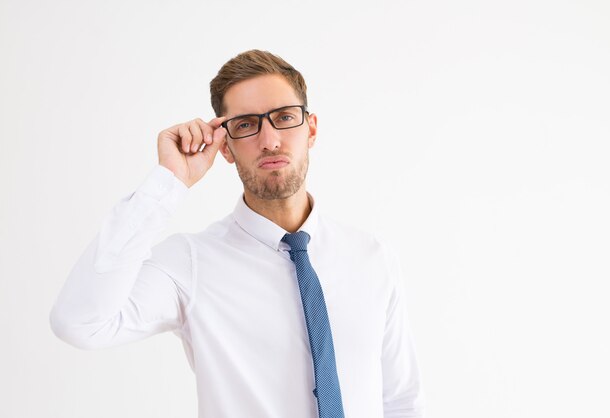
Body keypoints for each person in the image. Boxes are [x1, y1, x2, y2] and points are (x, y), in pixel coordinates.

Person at [50, 49, 425, 418]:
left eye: (284, 117)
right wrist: (168, 183)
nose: (270, 140)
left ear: (311, 129)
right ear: (225, 147)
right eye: (246, 124)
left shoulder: (371, 257)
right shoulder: (190, 263)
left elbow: (400, 401)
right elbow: (80, 323)